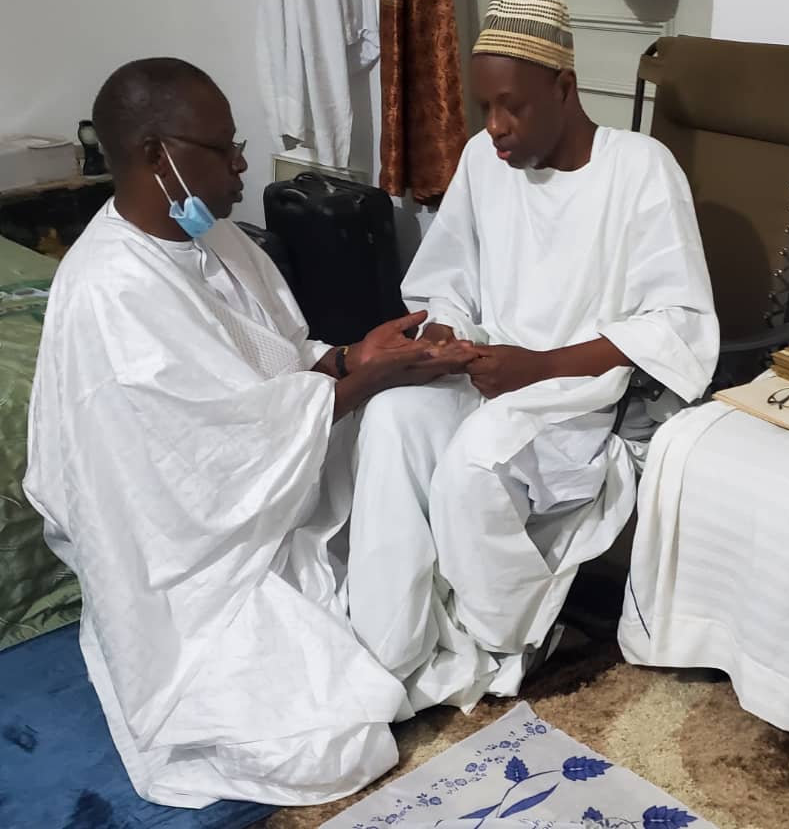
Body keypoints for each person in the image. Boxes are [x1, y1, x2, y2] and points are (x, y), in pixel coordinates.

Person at [24, 58, 474, 809]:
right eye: (222, 148)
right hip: (195, 563)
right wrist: (366, 380)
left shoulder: (215, 237)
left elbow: (275, 363)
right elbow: (204, 463)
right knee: (334, 748)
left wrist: (354, 355)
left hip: (273, 490)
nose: (240, 165)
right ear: (155, 154)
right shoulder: (113, 289)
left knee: (425, 454)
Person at [347, 0, 719, 712]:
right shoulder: (483, 161)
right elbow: (448, 277)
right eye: (485, 107)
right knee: (387, 418)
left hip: (578, 400)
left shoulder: (640, 170)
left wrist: (537, 367)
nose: (494, 127)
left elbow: (677, 322)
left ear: (564, 88)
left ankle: (504, 642)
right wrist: (447, 333)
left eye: (510, 107)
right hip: (487, 372)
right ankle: (387, 643)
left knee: (473, 465)